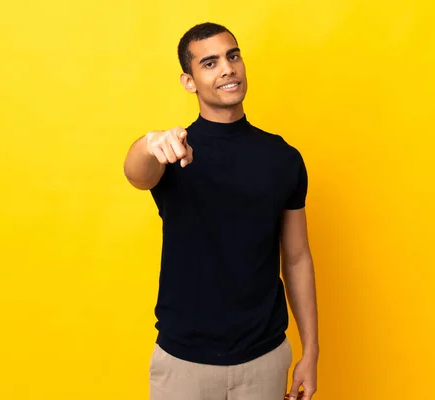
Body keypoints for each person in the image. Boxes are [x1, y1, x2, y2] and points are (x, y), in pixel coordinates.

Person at [124, 22, 319, 400]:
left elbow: (296, 258)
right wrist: (150, 144)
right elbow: (137, 174)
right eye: (210, 63)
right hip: (183, 364)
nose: (227, 68)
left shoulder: (283, 158)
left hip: (264, 360)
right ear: (189, 80)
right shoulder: (173, 151)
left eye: (232, 56)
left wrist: (311, 352)